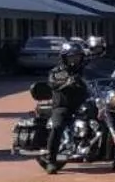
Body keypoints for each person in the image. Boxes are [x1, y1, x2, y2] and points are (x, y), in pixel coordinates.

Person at [39, 41, 92, 173]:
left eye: (78, 56)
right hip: (64, 105)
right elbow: (53, 82)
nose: (75, 59)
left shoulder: (86, 69)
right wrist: (67, 82)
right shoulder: (58, 71)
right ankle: (51, 160)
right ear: (64, 58)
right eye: (72, 57)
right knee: (57, 126)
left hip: (84, 103)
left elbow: (98, 77)